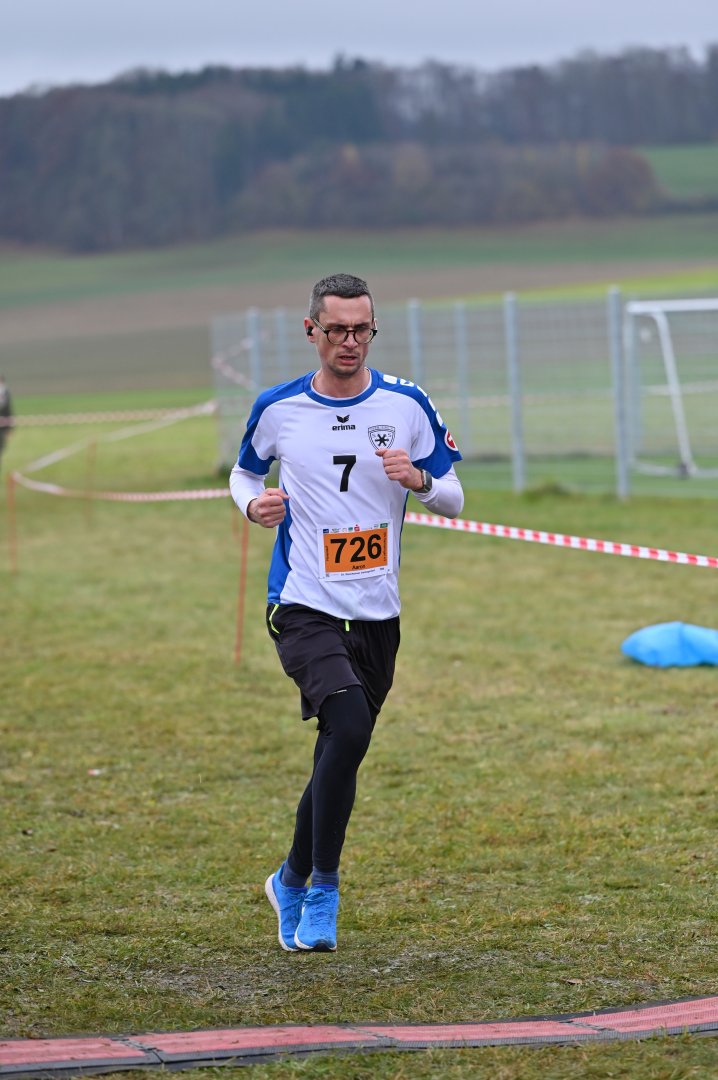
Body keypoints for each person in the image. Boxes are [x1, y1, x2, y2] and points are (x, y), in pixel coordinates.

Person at [229, 273, 464, 953]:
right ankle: (322, 889)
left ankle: (288, 876)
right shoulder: (278, 408)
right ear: (312, 331)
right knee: (351, 726)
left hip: (378, 613)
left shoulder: (407, 403)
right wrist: (253, 505)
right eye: (337, 330)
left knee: (341, 746)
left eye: (362, 329)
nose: (350, 342)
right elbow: (244, 473)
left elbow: (453, 496)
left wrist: (419, 479)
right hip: (303, 603)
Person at [0, 375, 13, 468]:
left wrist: (9, 426)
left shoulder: (6, 393)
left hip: (3, 425)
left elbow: (9, 410)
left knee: (2, 443)